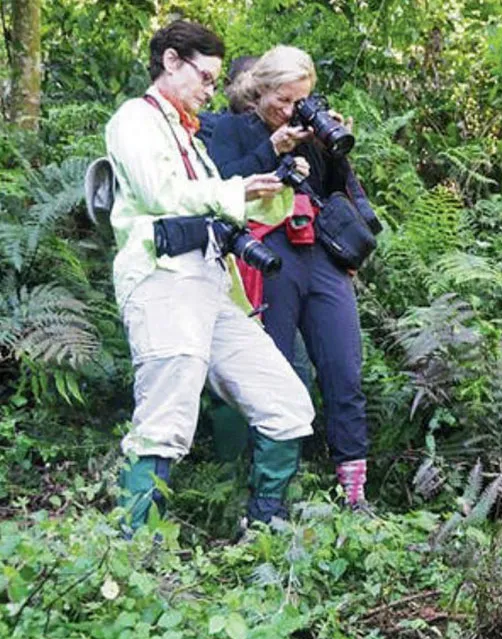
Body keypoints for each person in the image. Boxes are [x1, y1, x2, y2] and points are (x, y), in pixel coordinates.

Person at [104, 21, 315, 532]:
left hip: (213, 286)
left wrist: (272, 184)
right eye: (203, 77)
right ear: (171, 61)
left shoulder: (191, 137)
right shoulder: (135, 119)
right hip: (161, 282)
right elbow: (160, 192)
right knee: (164, 425)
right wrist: (235, 192)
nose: (209, 90)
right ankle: (133, 557)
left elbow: (223, 204)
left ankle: (262, 532)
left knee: (287, 405)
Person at [209, 45, 381, 508]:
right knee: (277, 373)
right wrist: (273, 148)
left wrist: (329, 140)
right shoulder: (229, 130)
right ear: (260, 91)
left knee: (344, 370)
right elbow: (217, 187)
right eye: (281, 100)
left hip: (320, 253)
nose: (289, 110)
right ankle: (273, 493)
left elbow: (339, 187)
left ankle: (353, 492)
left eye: (299, 100)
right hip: (267, 254)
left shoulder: (312, 127)